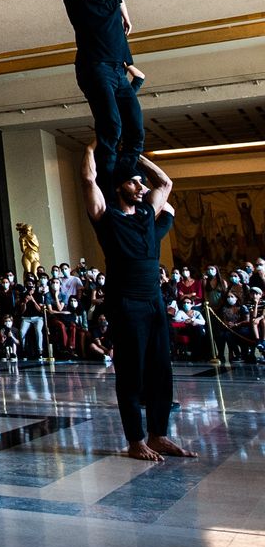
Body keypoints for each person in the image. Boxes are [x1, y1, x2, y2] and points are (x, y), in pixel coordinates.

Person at [82, 143, 196, 462]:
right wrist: (92, 147)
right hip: (126, 302)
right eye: (134, 182)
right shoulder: (106, 217)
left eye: (139, 182)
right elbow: (89, 180)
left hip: (154, 301)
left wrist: (136, 156)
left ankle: (158, 435)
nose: (140, 187)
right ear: (120, 186)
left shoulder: (147, 212)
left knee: (161, 370)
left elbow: (165, 184)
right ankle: (135, 440)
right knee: (131, 374)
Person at [54, 0, 144, 184]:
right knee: (111, 126)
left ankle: (123, 176)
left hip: (118, 70)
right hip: (95, 68)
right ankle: (106, 182)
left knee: (135, 130)